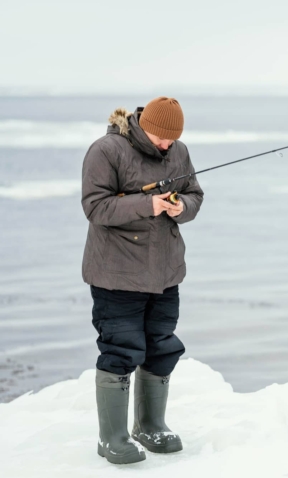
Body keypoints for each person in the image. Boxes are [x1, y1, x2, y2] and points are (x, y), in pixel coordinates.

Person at [81, 97, 204, 464]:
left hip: (165, 273)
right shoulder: (106, 150)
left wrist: (182, 207)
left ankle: (150, 426)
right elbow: (95, 207)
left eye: (173, 139)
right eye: (161, 138)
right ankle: (112, 438)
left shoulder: (179, 151)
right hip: (116, 274)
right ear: (141, 125)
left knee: (162, 346)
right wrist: (147, 204)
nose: (168, 145)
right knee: (121, 350)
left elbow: (195, 194)